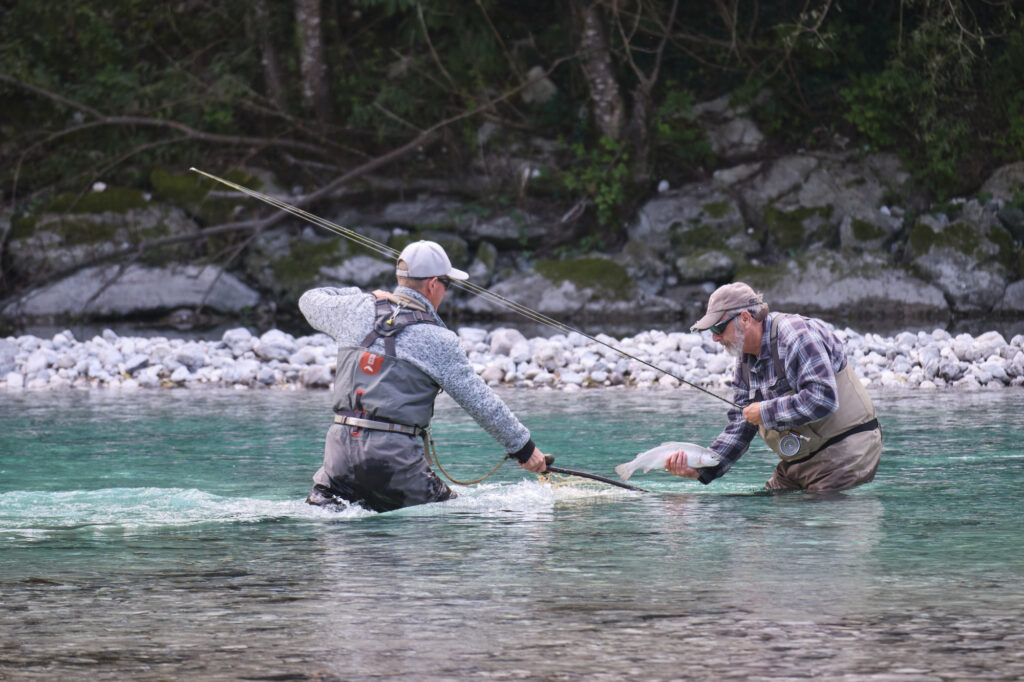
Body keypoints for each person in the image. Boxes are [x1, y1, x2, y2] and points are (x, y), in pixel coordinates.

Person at [299, 240, 548, 512]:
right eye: (447, 284)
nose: (445, 292)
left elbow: (309, 299)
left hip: (338, 459)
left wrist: (365, 295)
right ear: (432, 284)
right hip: (394, 465)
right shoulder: (438, 339)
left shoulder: (354, 309)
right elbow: (481, 403)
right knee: (448, 519)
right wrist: (525, 449)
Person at [666, 282, 881, 492]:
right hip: (800, 463)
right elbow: (740, 425)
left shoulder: (797, 336)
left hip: (847, 451)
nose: (714, 337)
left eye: (718, 327)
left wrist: (764, 411)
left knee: (814, 518)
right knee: (762, 514)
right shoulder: (743, 361)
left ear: (745, 318)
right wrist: (702, 468)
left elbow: (822, 398)